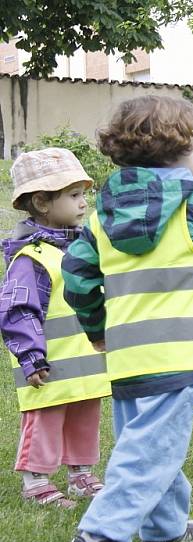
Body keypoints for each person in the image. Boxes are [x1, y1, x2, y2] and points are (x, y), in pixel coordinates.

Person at [62, 95, 193, 542]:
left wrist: (97, 329)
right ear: (179, 150)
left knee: (145, 441)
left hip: (126, 352)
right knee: (154, 448)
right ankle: (100, 535)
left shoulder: (100, 215)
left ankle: (165, 527)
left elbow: (76, 276)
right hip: (179, 348)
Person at [1, 148, 111, 508]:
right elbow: (19, 310)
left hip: (84, 364)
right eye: (74, 195)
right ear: (42, 202)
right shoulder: (31, 259)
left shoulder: (80, 249)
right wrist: (31, 357)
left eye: (84, 194)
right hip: (48, 364)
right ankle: (36, 481)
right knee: (45, 420)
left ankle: (80, 475)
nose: (84, 203)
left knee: (83, 417)